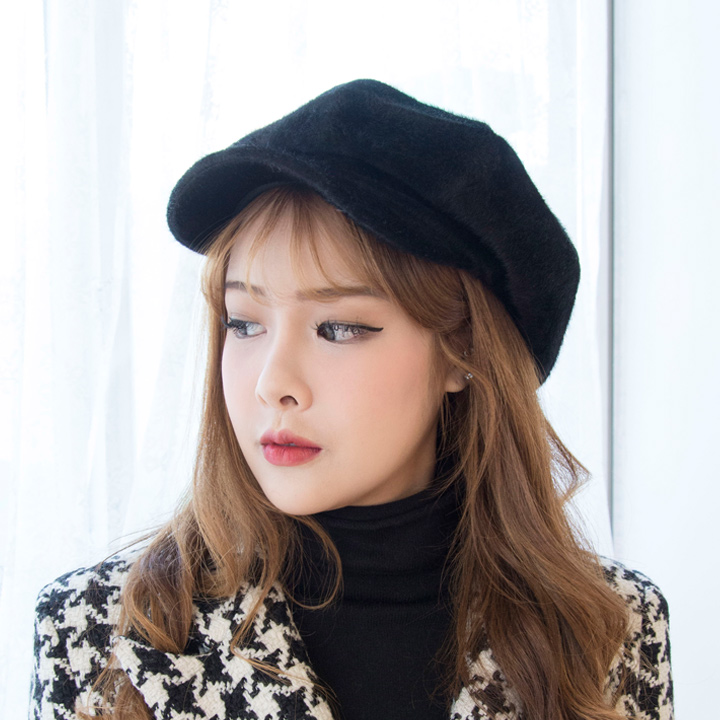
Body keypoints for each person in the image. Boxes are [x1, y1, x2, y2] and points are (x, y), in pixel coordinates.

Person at [29, 80, 673, 720]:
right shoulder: (98, 634)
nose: (272, 382)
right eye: (244, 323)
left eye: (337, 328)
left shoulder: (607, 632)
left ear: (464, 350)